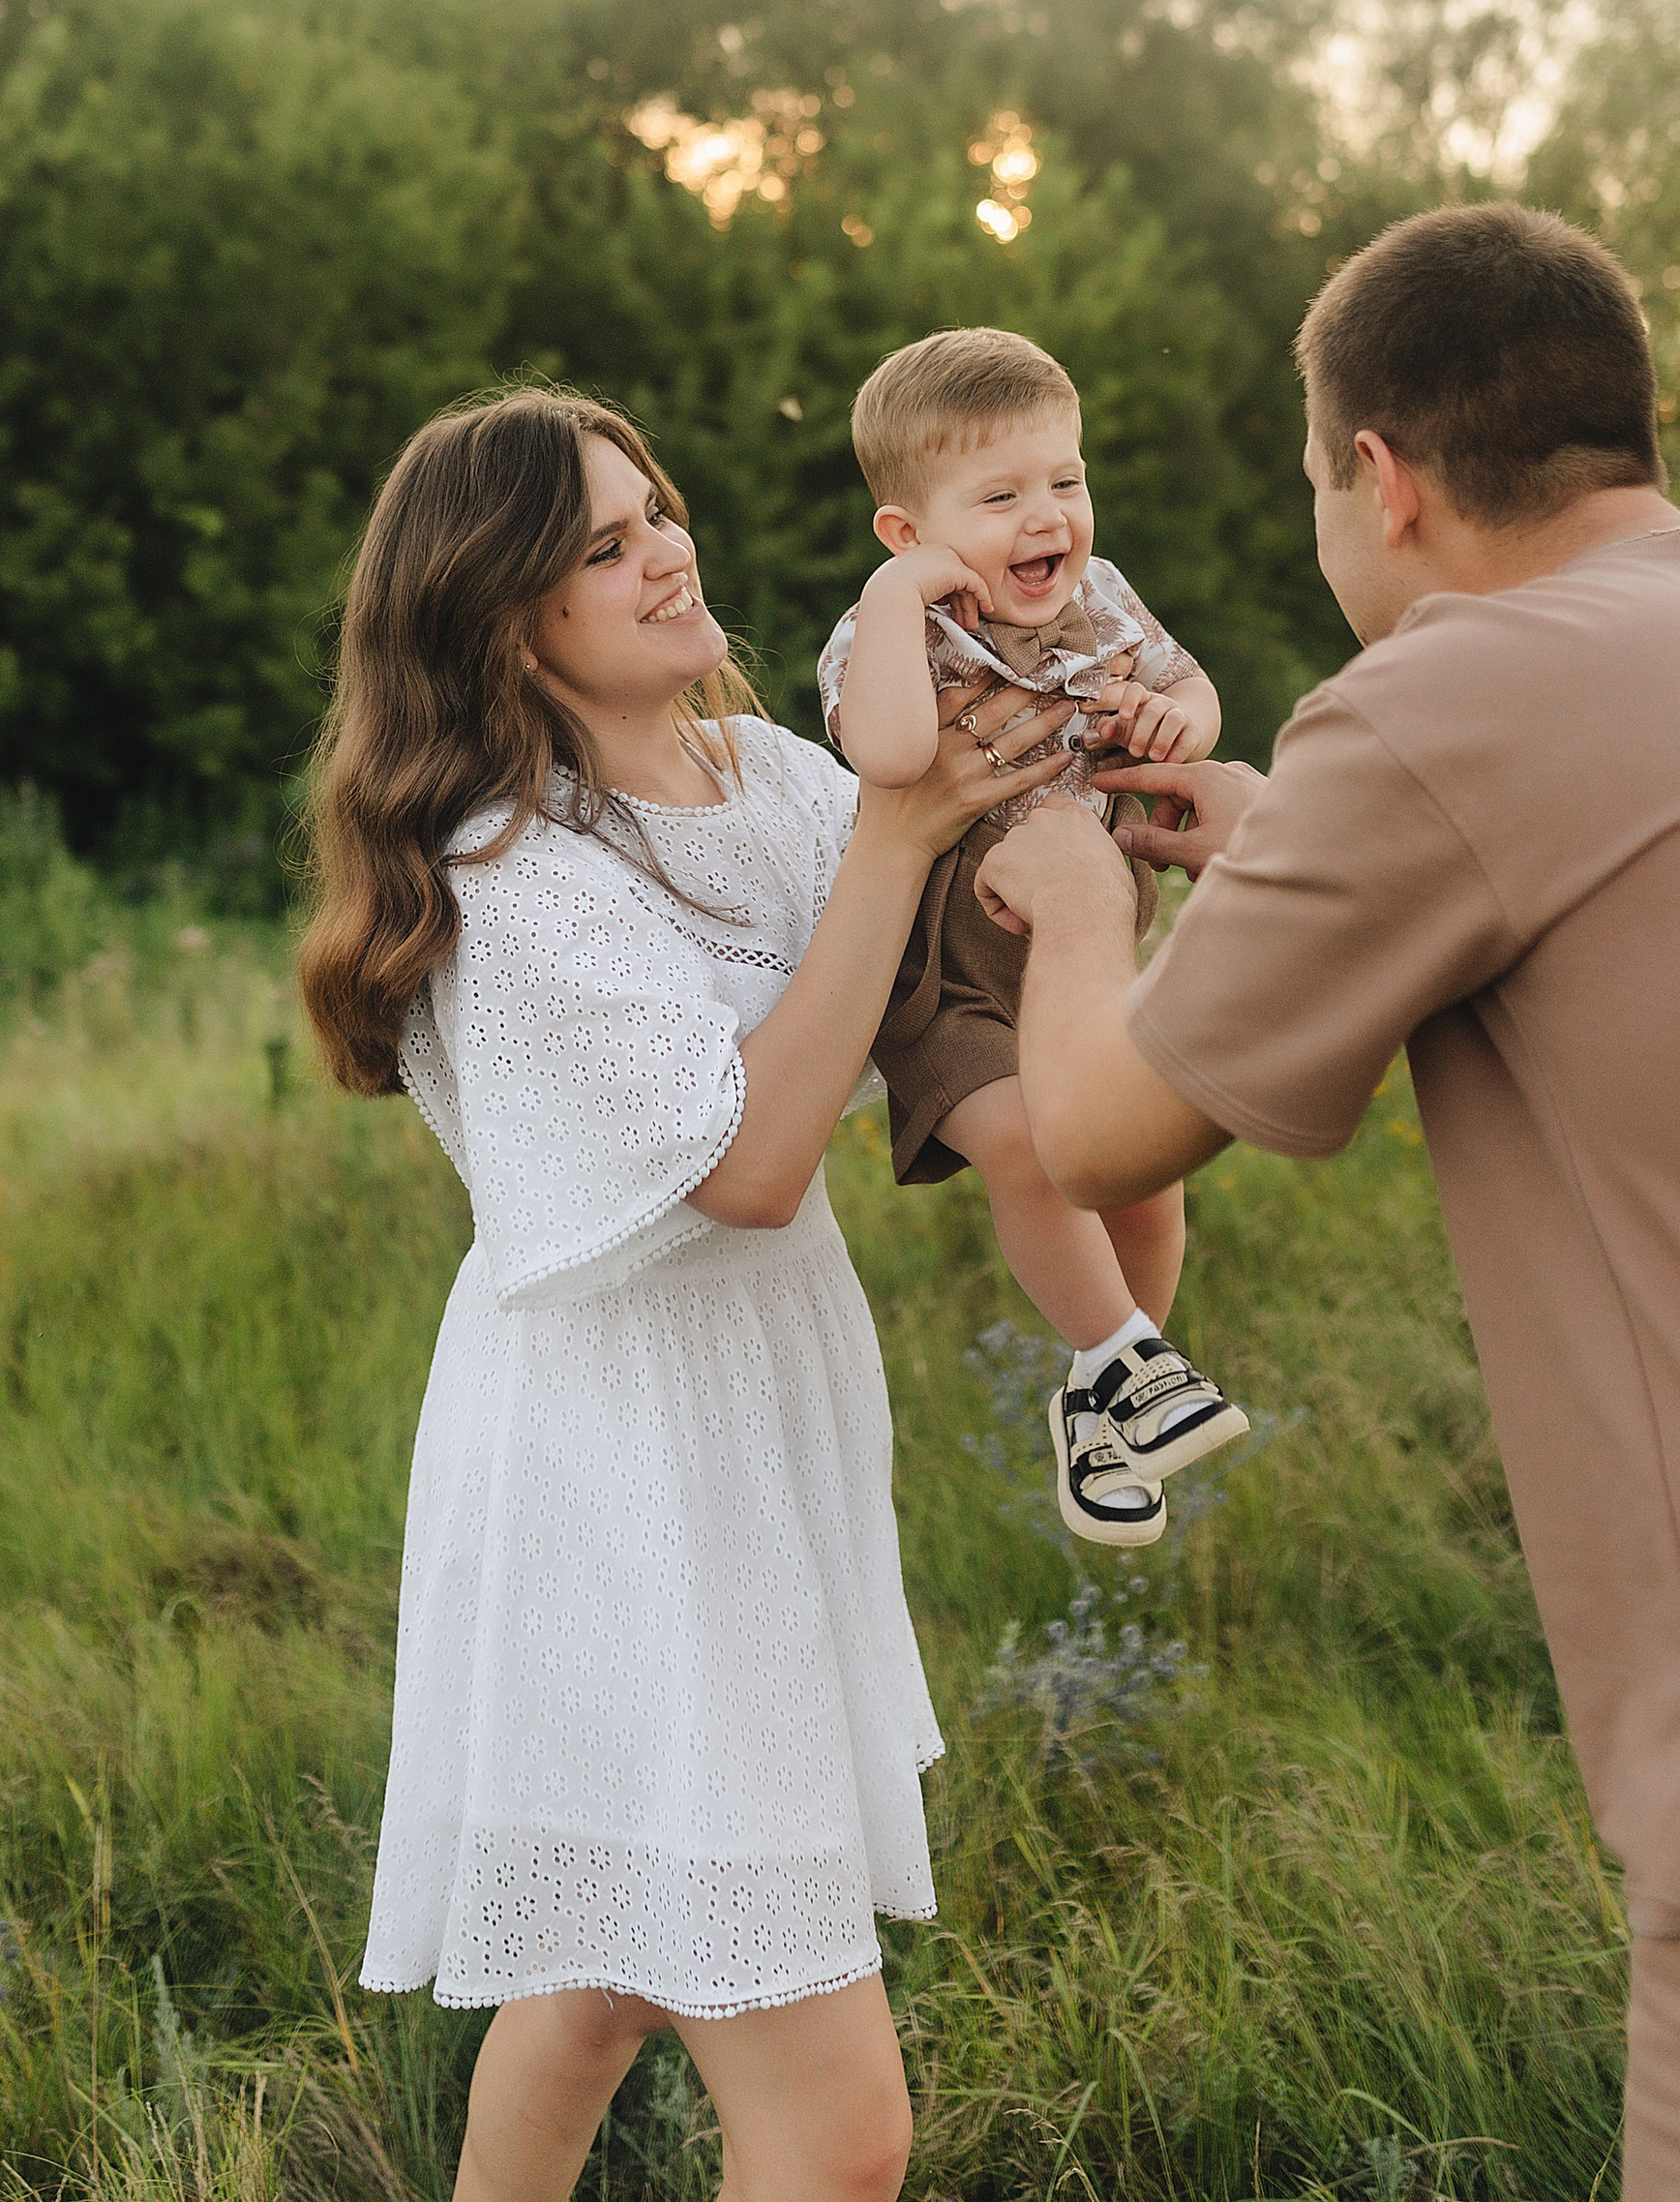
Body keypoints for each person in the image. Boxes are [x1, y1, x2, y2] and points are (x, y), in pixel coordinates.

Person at [982, 203, 1680, 2202]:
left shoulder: (1449, 689)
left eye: (1315, 489)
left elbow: (1104, 1122)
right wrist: (1291, 842)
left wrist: (1071, 908)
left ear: (1376, 478)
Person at [297, 385, 1068, 2202]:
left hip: (753, 1420)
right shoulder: (511, 873)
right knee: (840, 2129)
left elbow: (931, 987)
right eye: (605, 542)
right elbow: (748, 1165)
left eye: (660, 513)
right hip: (621, 1467)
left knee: (603, 1982)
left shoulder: (779, 783)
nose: (669, 552)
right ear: (505, 617)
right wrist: (898, 838)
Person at [817, 327, 1246, 1545]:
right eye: (999, 495)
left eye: (1063, 480)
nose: (1045, 514)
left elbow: (1194, 687)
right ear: (909, 533)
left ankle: (1105, 1400)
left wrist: (1173, 721)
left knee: (1140, 1172)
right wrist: (897, 599)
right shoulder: (889, 630)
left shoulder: (1101, 599)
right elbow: (894, 756)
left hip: (1087, 944)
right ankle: (1119, 1352)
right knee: (1026, 1146)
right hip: (948, 968)